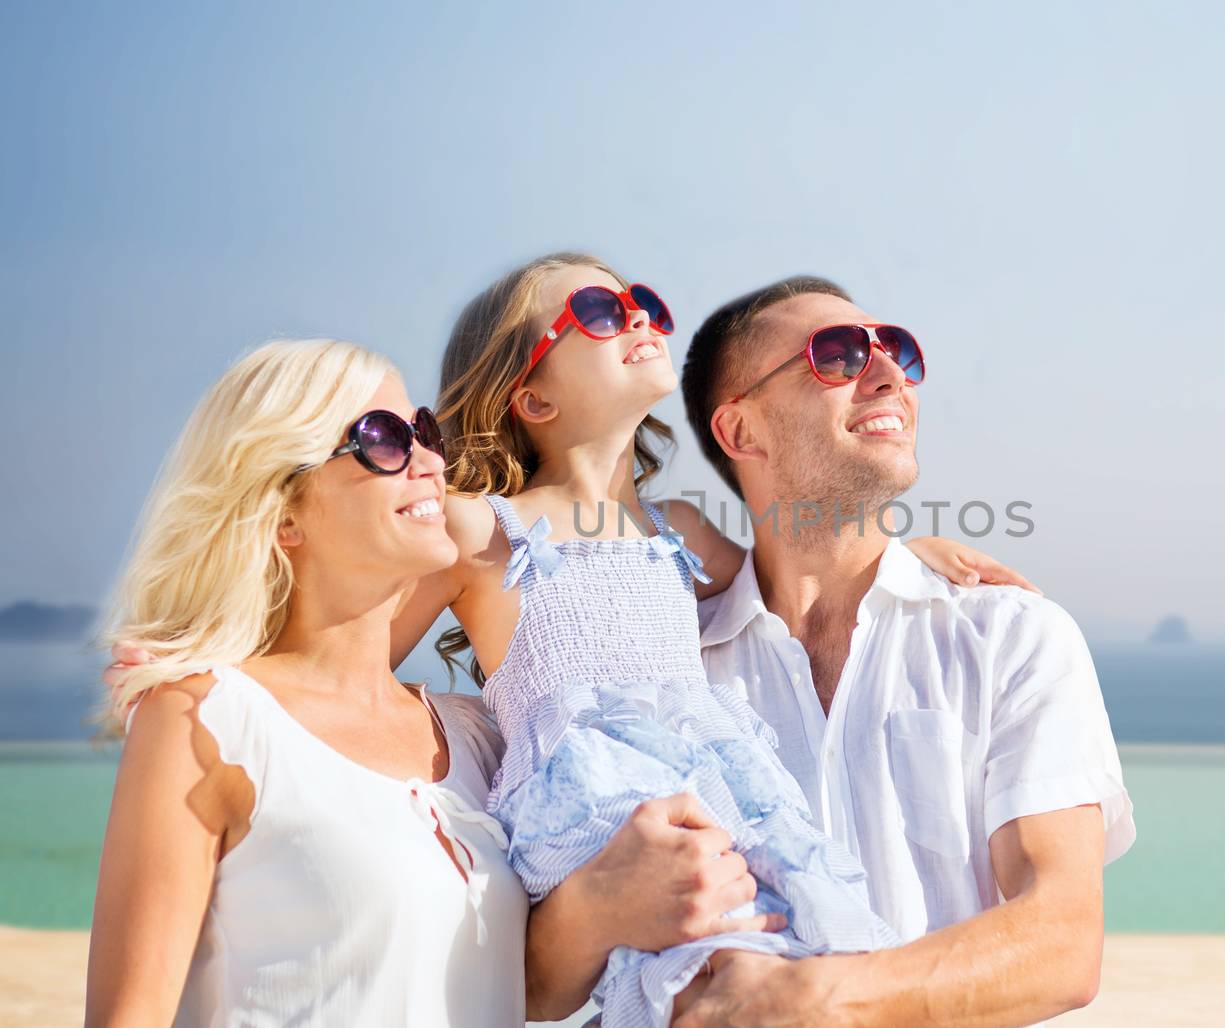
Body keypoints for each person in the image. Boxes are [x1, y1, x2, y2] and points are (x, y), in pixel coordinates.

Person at [379, 252, 1029, 1024]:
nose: (639, 319)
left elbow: (797, 559)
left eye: (642, 303)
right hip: (597, 802)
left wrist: (906, 553)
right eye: (599, 311)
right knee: (700, 968)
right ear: (533, 398)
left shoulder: (677, 529)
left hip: (718, 783)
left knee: (800, 938)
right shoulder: (482, 529)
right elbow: (353, 654)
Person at [664, 275, 1137, 1026]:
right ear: (740, 432)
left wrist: (814, 1000)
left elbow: (1063, 940)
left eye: (898, 351)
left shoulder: (1012, 637)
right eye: (840, 354)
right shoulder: (669, 673)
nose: (890, 375)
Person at [85, 340, 529, 1025]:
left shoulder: (479, 736)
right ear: (284, 513)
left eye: (424, 431)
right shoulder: (207, 721)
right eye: (382, 439)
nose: (431, 461)